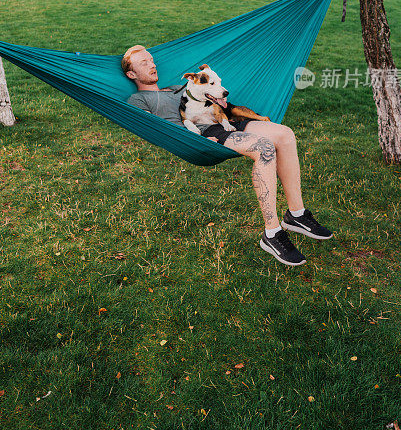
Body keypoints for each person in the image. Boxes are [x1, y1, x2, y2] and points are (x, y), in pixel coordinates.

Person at [121, 45, 334, 268]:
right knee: (265, 148)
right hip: (205, 132)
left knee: (286, 135)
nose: (152, 64)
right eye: (144, 62)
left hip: (225, 120)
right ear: (131, 74)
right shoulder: (139, 100)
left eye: (151, 59)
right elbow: (152, 127)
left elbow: (210, 95)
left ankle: (296, 215)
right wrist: (193, 141)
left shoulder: (176, 87)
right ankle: (272, 234)